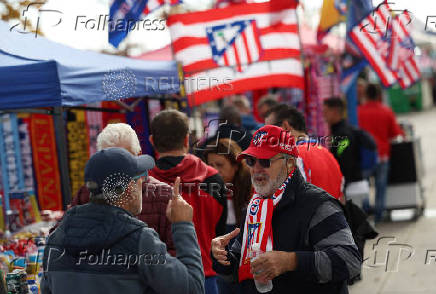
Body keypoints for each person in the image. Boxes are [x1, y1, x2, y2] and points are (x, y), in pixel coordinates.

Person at [211, 125, 361, 294]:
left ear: (289, 164)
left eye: (265, 161)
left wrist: (291, 261)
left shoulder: (318, 204)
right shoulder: (254, 207)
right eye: (251, 161)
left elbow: (350, 262)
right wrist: (223, 258)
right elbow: (239, 271)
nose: (256, 168)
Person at [41, 148, 204, 294]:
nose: (144, 182)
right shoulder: (139, 240)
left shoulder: (56, 238)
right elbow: (193, 288)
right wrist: (183, 225)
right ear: (129, 190)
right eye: (141, 178)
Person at [149, 109, 227, 294]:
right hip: (206, 276)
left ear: (152, 141)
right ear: (186, 139)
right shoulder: (213, 179)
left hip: (159, 279)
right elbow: (219, 233)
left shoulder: (144, 182)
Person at [70, 123, 175, 255]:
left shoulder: (163, 195)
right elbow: (65, 239)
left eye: (124, 158)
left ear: (138, 155)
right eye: (110, 161)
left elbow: (176, 252)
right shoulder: (86, 193)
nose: (118, 168)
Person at [265, 104, 344, 200]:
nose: (267, 137)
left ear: (285, 127)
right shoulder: (327, 153)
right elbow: (341, 193)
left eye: (269, 131)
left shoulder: (293, 157)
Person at [204, 138, 252, 294]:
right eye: (210, 165)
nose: (214, 170)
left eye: (220, 165)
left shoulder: (252, 190)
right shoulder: (207, 190)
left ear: (236, 165)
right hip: (219, 261)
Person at [358, 84, 404, 222]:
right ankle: (379, 215)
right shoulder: (386, 111)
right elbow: (396, 134)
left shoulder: (358, 112)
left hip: (364, 157)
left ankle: (365, 212)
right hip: (383, 155)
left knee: (363, 186)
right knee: (381, 187)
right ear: (379, 95)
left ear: (365, 94)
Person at [322, 97, 363, 187]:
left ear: (335, 111)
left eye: (326, 111)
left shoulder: (343, 134)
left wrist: (341, 186)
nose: (323, 115)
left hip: (350, 185)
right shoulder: (339, 130)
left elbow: (345, 160)